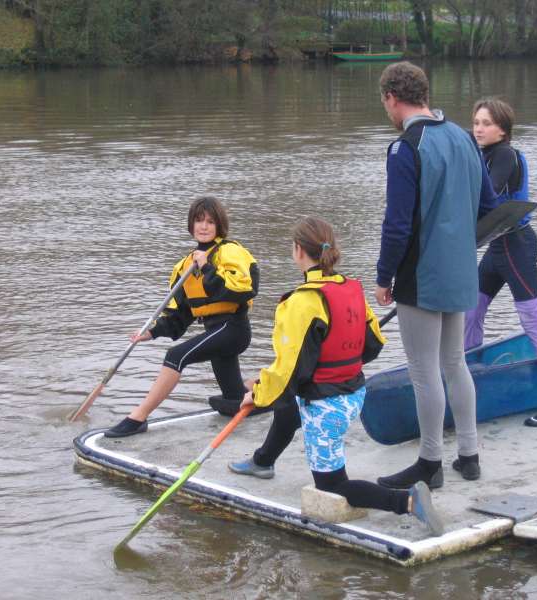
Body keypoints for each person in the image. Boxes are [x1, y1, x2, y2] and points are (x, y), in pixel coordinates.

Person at [230, 217, 444, 536]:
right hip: (354, 392)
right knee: (290, 406)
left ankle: (408, 503)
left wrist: (257, 394)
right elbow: (374, 343)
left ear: (298, 251)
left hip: (326, 406)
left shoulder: (300, 302)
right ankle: (263, 461)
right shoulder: (351, 288)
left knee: (333, 484)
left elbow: (286, 369)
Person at [374, 62, 498, 490]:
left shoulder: (406, 147)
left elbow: (398, 225)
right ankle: (470, 454)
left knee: (423, 370)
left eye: (386, 103)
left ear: (392, 97)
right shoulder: (464, 138)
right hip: (462, 268)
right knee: (454, 362)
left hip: (421, 274)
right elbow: (488, 206)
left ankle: (430, 462)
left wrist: (384, 276)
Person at [104, 197, 259, 437]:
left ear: (219, 225)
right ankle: (264, 386)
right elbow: (180, 314)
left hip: (233, 328)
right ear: (191, 225)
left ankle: (138, 417)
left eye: (210, 221)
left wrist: (207, 267)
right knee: (234, 401)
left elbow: (243, 290)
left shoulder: (231, 251)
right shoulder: (184, 266)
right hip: (214, 332)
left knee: (176, 356)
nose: (204, 226)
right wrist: (152, 333)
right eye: (199, 221)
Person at [464, 98, 537, 428]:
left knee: (532, 319)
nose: (479, 128)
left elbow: (487, 195)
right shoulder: (483, 153)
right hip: (497, 248)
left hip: (516, 246)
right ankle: (470, 378)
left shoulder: (505, 155)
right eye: (476, 122)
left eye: (486, 123)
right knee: (472, 310)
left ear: (503, 129)